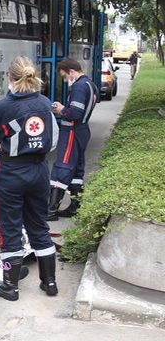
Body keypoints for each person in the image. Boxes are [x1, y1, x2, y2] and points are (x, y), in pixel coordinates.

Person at [0, 55, 59, 301]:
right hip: (39, 171)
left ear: (9, 76)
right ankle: (49, 282)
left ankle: (10, 286)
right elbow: (53, 137)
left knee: (9, 229)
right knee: (39, 225)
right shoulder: (45, 102)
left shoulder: (3, 107)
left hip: (10, 173)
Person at [47, 57, 98, 220]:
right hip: (82, 130)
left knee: (63, 166)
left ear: (72, 71)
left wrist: (62, 109)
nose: (65, 80)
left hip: (72, 130)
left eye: (64, 76)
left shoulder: (79, 87)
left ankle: (51, 209)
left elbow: (74, 113)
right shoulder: (90, 84)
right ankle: (74, 207)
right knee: (76, 168)